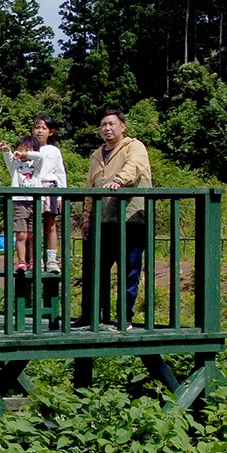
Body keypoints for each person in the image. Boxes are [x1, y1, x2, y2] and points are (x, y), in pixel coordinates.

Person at [79, 108, 152, 326]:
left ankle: (124, 317)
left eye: (111, 124)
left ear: (122, 127)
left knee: (129, 269)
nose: (107, 128)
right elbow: (90, 188)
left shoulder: (134, 146)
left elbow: (134, 167)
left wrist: (119, 181)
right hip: (103, 221)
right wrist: (86, 217)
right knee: (95, 269)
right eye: (103, 125)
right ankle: (90, 315)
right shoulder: (96, 155)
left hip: (131, 219)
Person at [0, 134, 48, 272]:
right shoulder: (15, 164)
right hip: (19, 201)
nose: (23, 152)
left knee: (34, 234)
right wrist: (7, 150)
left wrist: (26, 154)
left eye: (27, 149)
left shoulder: (36, 164)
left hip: (35, 201)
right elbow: (8, 157)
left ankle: (34, 261)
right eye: (20, 148)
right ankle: (21, 261)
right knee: (21, 234)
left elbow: (40, 157)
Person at [27, 115, 69, 272]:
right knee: (31, 225)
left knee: (50, 224)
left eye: (43, 128)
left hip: (49, 187)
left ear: (51, 132)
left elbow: (60, 173)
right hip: (31, 188)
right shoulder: (28, 148)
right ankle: (35, 259)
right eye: (37, 127)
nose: (39, 131)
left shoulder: (53, 151)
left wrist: (61, 195)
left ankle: (52, 260)